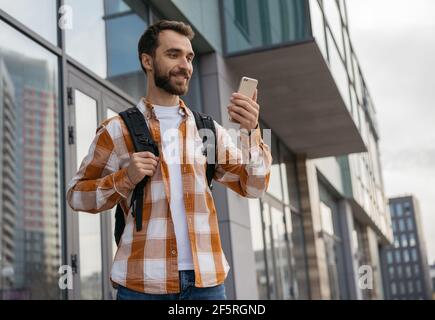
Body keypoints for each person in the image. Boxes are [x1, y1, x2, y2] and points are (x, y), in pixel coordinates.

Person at [67, 20, 272, 300]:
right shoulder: (117, 130)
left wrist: (252, 131)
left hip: (207, 285)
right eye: (173, 55)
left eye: (189, 57)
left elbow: (254, 186)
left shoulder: (208, 131)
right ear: (147, 61)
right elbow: (76, 195)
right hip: (142, 285)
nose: (185, 65)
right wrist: (125, 179)